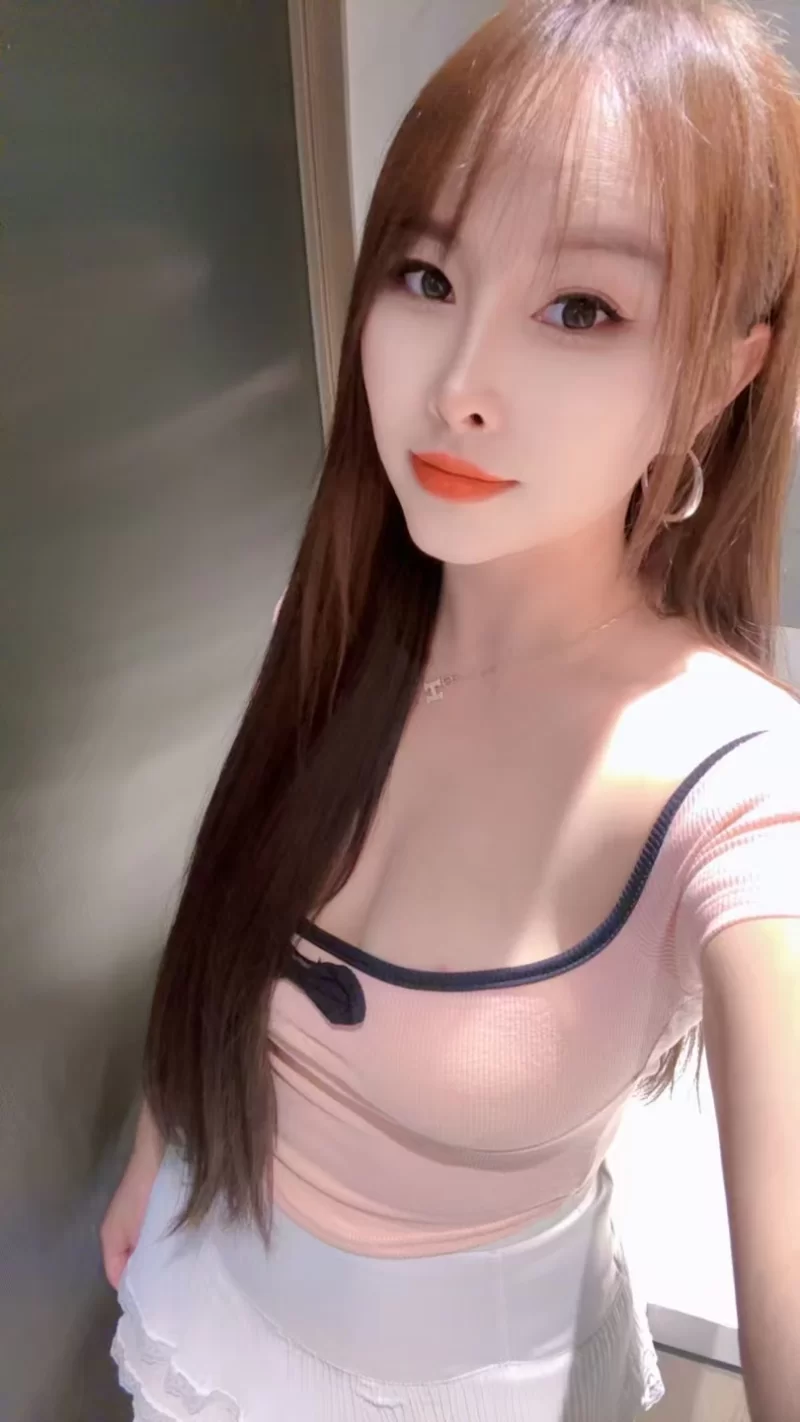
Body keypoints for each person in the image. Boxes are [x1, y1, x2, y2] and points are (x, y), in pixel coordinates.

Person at [102, 2, 800, 1418]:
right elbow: (230, 922)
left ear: (724, 373)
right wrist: (152, 1153)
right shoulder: (341, 618)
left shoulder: (735, 787)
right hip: (205, 1289)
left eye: (581, 308)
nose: (458, 386)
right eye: (426, 276)